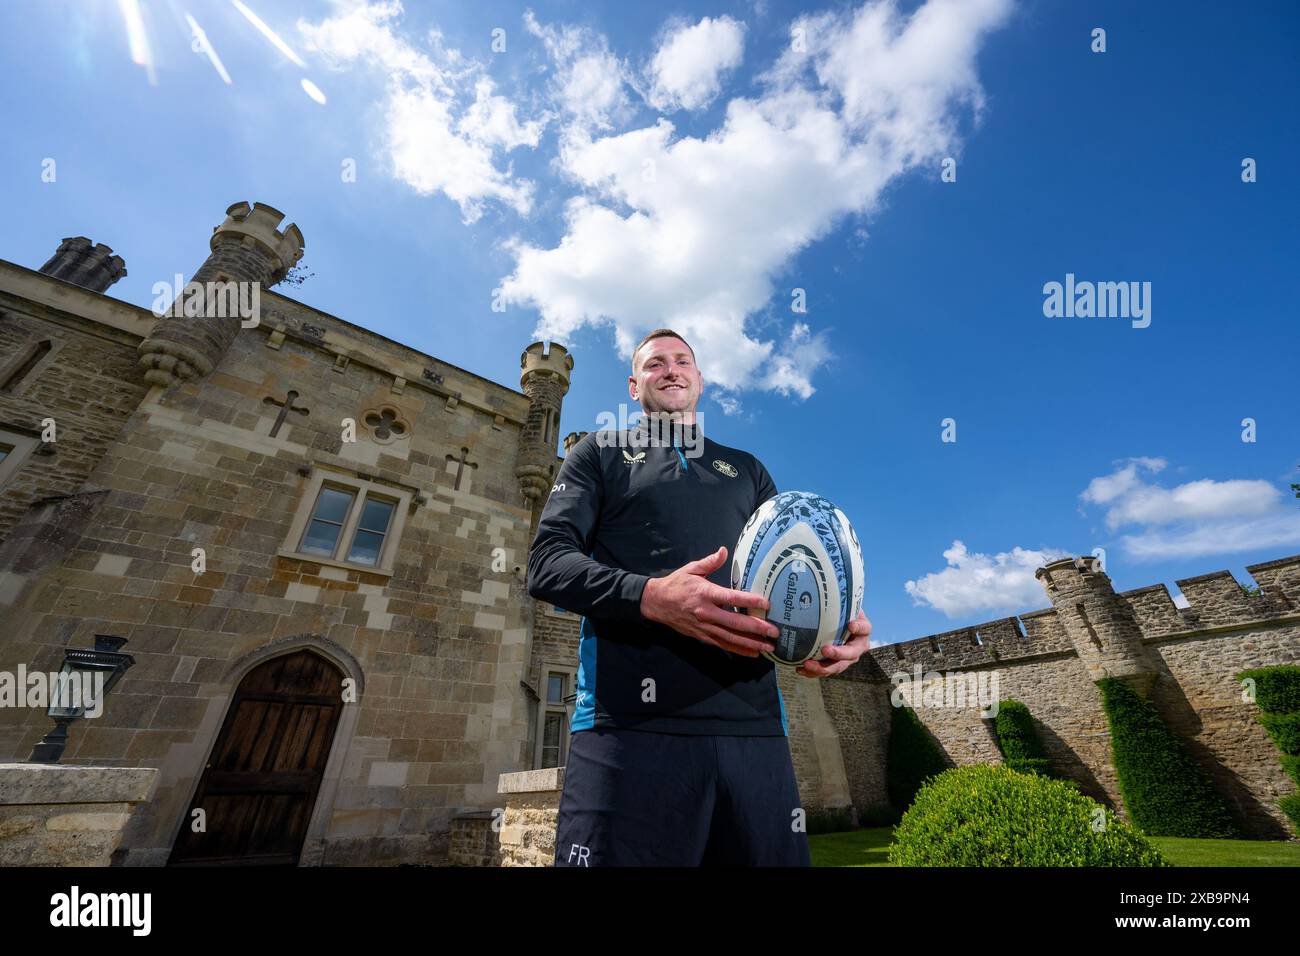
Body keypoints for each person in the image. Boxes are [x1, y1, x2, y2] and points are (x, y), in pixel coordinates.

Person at [527, 328, 872, 866]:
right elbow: (546, 563)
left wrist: (837, 627)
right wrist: (652, 596)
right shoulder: (599, 453)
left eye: (682, 360)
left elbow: (792, 576)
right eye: (654, 363)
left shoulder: (749, 470)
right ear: (633, 384)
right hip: (627, 727)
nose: (670, 369)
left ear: (700, 379)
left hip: (753, 730)